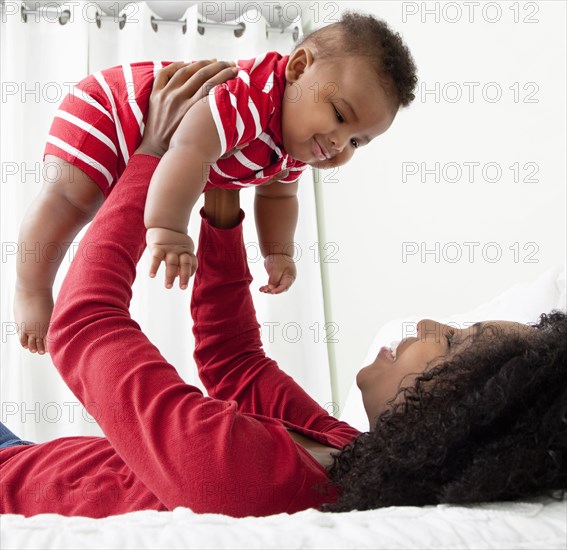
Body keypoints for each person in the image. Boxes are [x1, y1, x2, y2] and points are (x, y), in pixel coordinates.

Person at [1, 63, 566, 518]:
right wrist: (222, 209)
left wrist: (151, 153)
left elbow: (83, 326)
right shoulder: (345, 451)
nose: (425, 325)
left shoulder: (253, 484)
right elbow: (236, 364)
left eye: (449, 342)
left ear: (456, 417)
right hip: (26, 453)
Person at [14, 11, 419, 354]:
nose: (337, 144)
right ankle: (31, 290)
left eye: (356, 142)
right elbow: (189, 149)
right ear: (298, 68)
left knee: (104, 210)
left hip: (145, 142)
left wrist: (279, 252)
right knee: (74, 201)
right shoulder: (249, 98)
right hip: (111, 109)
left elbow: (280, 195)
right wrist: (170, 230)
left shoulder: (296, 145)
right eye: (339, 115)